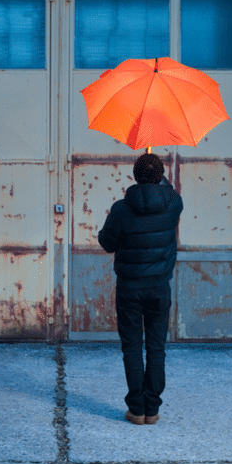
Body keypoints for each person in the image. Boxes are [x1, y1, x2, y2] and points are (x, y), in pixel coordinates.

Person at [97, 153, 183, 425]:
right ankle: (153, 409)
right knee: (157, 348)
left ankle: (137, 409)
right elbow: (166, 191)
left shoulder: (121, 209)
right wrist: (158, 179)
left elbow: (107, 243)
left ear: (134, 176)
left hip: (129, 290)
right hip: (159, 288)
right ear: (160, 176)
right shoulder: (174, 204)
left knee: (132, 348)